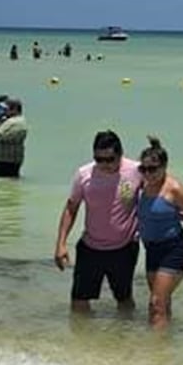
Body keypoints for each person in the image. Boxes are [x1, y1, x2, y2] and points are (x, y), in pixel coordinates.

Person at [53, 130, 142, 313]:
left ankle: (125, 339)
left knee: (124, 300)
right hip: (90, 247)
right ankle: (82, 340)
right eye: (98, 159)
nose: (104, 165)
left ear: (120, 154)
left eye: (109, 159)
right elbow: (71, 207)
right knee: (79, 301)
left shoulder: (136, 170)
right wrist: (61, 244)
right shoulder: (84, 174)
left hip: (124, 248)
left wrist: (180, 212)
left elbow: (160, 189)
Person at [136, 136, 183, 328]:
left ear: (164, 167)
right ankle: (167, 348)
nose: (148, 173)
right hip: (152, 249)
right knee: (162, 303)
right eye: (144, 169)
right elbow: (127, 199)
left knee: (155, 303)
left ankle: (156, 352)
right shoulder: (142, 185)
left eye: (153, 169)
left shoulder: (174, 189)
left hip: (174, 249)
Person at [0, 98, 27, 178]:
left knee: (7, 183)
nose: (3, 111)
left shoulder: (15, 122)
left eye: (6, 109)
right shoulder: (11, 120)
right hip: (6, 160)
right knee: (6, 185)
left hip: (8, 161)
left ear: (14, 109)